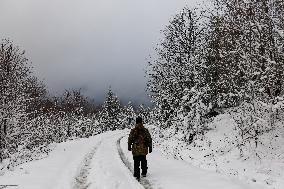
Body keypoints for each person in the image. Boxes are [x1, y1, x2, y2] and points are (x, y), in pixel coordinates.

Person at [128, 116, 152, 180]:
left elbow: (130, 139)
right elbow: (149, 139)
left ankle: (136, 174)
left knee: (136, 162)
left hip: (135, 149)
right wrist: (150, 147)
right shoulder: (145, 130)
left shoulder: (133, 130)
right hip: (144, 148)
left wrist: (129, 146)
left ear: (136, 122)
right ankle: (144, 172)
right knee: (144, 161)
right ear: (141, 122)